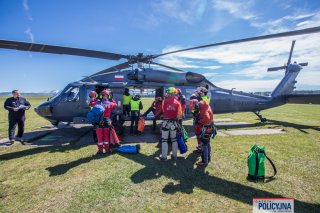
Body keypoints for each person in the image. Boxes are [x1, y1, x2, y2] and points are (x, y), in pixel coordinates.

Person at [158, 87, 182, 161]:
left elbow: (163, 111)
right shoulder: (178, 103)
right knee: (174, 139)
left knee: (164, 140)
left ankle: (164, 157)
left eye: (167, 92)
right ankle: (175, 156)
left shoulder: (164, 101)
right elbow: (179, 116)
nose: (166, 93)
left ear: (169, 93)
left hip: (165, 122)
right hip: (174, 123)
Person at [192, 99, 214, 166]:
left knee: (204, 144)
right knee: (207, 143)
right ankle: (208, 158)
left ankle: (204, 161)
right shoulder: (207, 107)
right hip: (210, 127)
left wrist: (199, 121)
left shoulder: (204, 111)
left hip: (206, 128)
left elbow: (206, 119)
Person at [95, 90, 118, 154]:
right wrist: (112, 99)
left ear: (101, 96)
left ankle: (100, 151)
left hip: (99, 121)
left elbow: (91, 103)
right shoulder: (111, 103)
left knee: (100, 137)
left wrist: (98, 99)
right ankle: (107, 150)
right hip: (107, 121)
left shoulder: (98, 103)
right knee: (106, 136)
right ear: (108, 96)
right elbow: (115, 104)